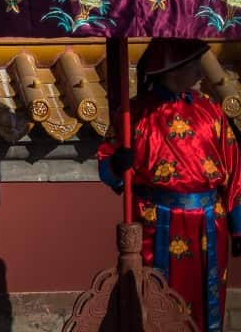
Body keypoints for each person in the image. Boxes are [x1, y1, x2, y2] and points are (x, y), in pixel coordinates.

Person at [98, 37, 241, 332]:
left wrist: (239, 226)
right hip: (157, 222)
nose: (201, 74)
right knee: (156, 303)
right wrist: (117, 164)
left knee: (206, 304)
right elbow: (106, 165)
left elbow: (235, 169)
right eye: (194, 66)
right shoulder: (134, 113)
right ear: (172, 69)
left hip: (209, 223)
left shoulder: (210, 110)